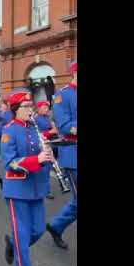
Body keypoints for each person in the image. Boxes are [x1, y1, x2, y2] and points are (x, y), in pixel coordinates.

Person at [1, 91, 53, 266]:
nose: (30, 110)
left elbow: (40, 149)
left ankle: (13, 246)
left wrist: (48, 154)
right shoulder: (9, 130)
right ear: (15, 110)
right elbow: (10, 162)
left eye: (31, 106)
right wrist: (37, 160)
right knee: (22, 234)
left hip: (36, 186)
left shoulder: (34, 127)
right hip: (18, 188)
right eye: (26, 107)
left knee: (39, 229)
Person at [46, 61, 77, 250]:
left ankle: (56, 225)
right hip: (73, 154)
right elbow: (65, 126)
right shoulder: (62, 95)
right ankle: (56, 226)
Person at [34, 100, 58, 200]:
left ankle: (45, 189)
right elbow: (36, 135)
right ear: (38, 109)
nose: (46, 109)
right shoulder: (35, 119)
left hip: (50, 144)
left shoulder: (47, 118)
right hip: (41, 146)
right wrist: (51, 132)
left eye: (47, 108)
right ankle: (45, 190)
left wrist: (53, 127)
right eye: (44, 108)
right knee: (44, 169)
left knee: (47, 169)